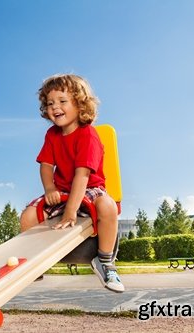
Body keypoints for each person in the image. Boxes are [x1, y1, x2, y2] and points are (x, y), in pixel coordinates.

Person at [20, 74, 124, 293]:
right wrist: (50, 188)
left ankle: (105, 262)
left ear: (80, 104)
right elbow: (46, 165)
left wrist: (70, 213)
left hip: (89, 188)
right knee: (28, 216)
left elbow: (82, 175)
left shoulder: (89, 135)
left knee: (108, 206)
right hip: (62, 190)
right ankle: (35, 266)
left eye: (62, 101)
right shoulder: (52, 134)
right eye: (50, 103)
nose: (54, 107)